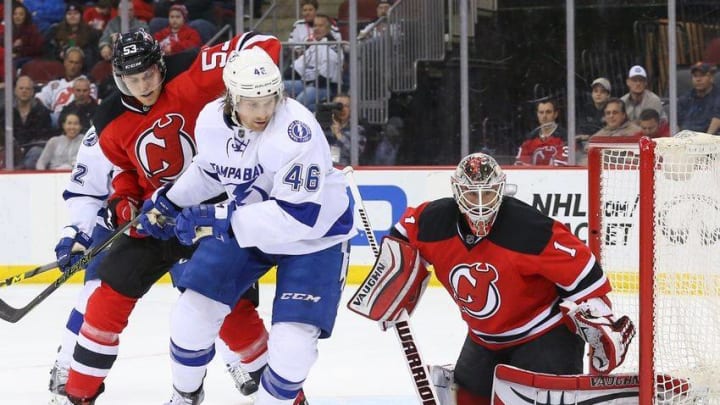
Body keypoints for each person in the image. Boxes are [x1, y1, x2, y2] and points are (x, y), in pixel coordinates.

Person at [59, 28, 281, 405]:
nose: (144, 85)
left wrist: (246, 78)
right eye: (133, 79)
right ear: (118, 78)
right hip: (156, 218)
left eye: (149, 75)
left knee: (231, 310)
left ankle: (283, 395)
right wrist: (123, 203)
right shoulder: (108, 117)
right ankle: (77, 394)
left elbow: (265, 45)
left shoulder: (191, 70)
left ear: (161, 65)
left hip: (213, 211)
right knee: (104, 299)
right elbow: (126, 173)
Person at [138, 46, 355, 404]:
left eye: (269, 100)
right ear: (231, 97)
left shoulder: (296, 132)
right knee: (191, 315)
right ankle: (184, 397)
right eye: (252, 103)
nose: (263, 111)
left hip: (315, 238)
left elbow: (297, 217)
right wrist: (171, 200)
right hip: (247, 225)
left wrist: (220, 218)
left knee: (292, 349)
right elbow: (211, 171)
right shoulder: (211, 120)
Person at [375, 152, 635, 404]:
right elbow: (404, 233)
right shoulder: (434, 221)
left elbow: (583, 270)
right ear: (457, 192)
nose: (479, 203)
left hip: (544, 333)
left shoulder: (527, 228)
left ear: (500, 190)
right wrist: (390, 281)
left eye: (487, 193)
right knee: (466, 400)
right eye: (470, 194)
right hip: (484, 338)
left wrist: (601, 318)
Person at [47, 127, 261, 405]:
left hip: (191, 218)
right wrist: (76, 231)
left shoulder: (196, 112)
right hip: (127, 223)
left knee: (209, 300)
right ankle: (67, 367)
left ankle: (233, 363)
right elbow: (85, 191)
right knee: (97, 295)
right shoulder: (104, 130)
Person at [284, 14, 343, 112]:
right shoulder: (315, 44)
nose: (316, 28)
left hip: (325, 87)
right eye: (315, 25)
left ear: (328, 28)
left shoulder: (332, 45)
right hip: (308, 83)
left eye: (320, 26)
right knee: (281, 86)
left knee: (300, 100)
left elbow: (323, 80)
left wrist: (306, 78)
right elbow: (297, 67)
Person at [35, 46, 98, 128]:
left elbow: (87, 103)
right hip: (55, 118)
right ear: (65, 62)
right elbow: (39, 99)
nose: (73, 66)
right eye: (70, 62)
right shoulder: (54, 84)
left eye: (76, 63)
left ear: (81, 65)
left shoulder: (88, 84)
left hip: (76, 118)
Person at [0, 75, 53, 169]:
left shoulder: (42, 111)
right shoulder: (5, 111)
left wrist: (25, 148)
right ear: (15, 91)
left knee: (36, 153)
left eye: (27, 89)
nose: (24, 91)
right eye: (21, 88)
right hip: (11, 148)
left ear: (32, 92)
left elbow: (44, 137)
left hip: (33, 149)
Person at [514, 98, 567, 166]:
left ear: (556, 114)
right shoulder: (530, 138)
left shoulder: (565, 137)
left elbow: (562, 166)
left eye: (548, 112)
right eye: (541, 112)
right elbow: (520, 164)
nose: (544, 116)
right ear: (537, 114)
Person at [678, 61, 720, 134]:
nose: (698, 79)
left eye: (702, 75)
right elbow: (677, 121)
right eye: (695, 76)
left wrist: (705, 140)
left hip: (709, 138)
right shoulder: (685, 98)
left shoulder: (718, 97)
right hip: (685, 138)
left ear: (711, 78)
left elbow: (717, 118)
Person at [324, 93, 367, 165]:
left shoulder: (357, 130)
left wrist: (338, 134)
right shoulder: (324, 128)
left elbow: (355, 154)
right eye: (339, 106)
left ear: (351, 109)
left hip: (347, 171)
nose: (342, 109)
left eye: (346, 106)